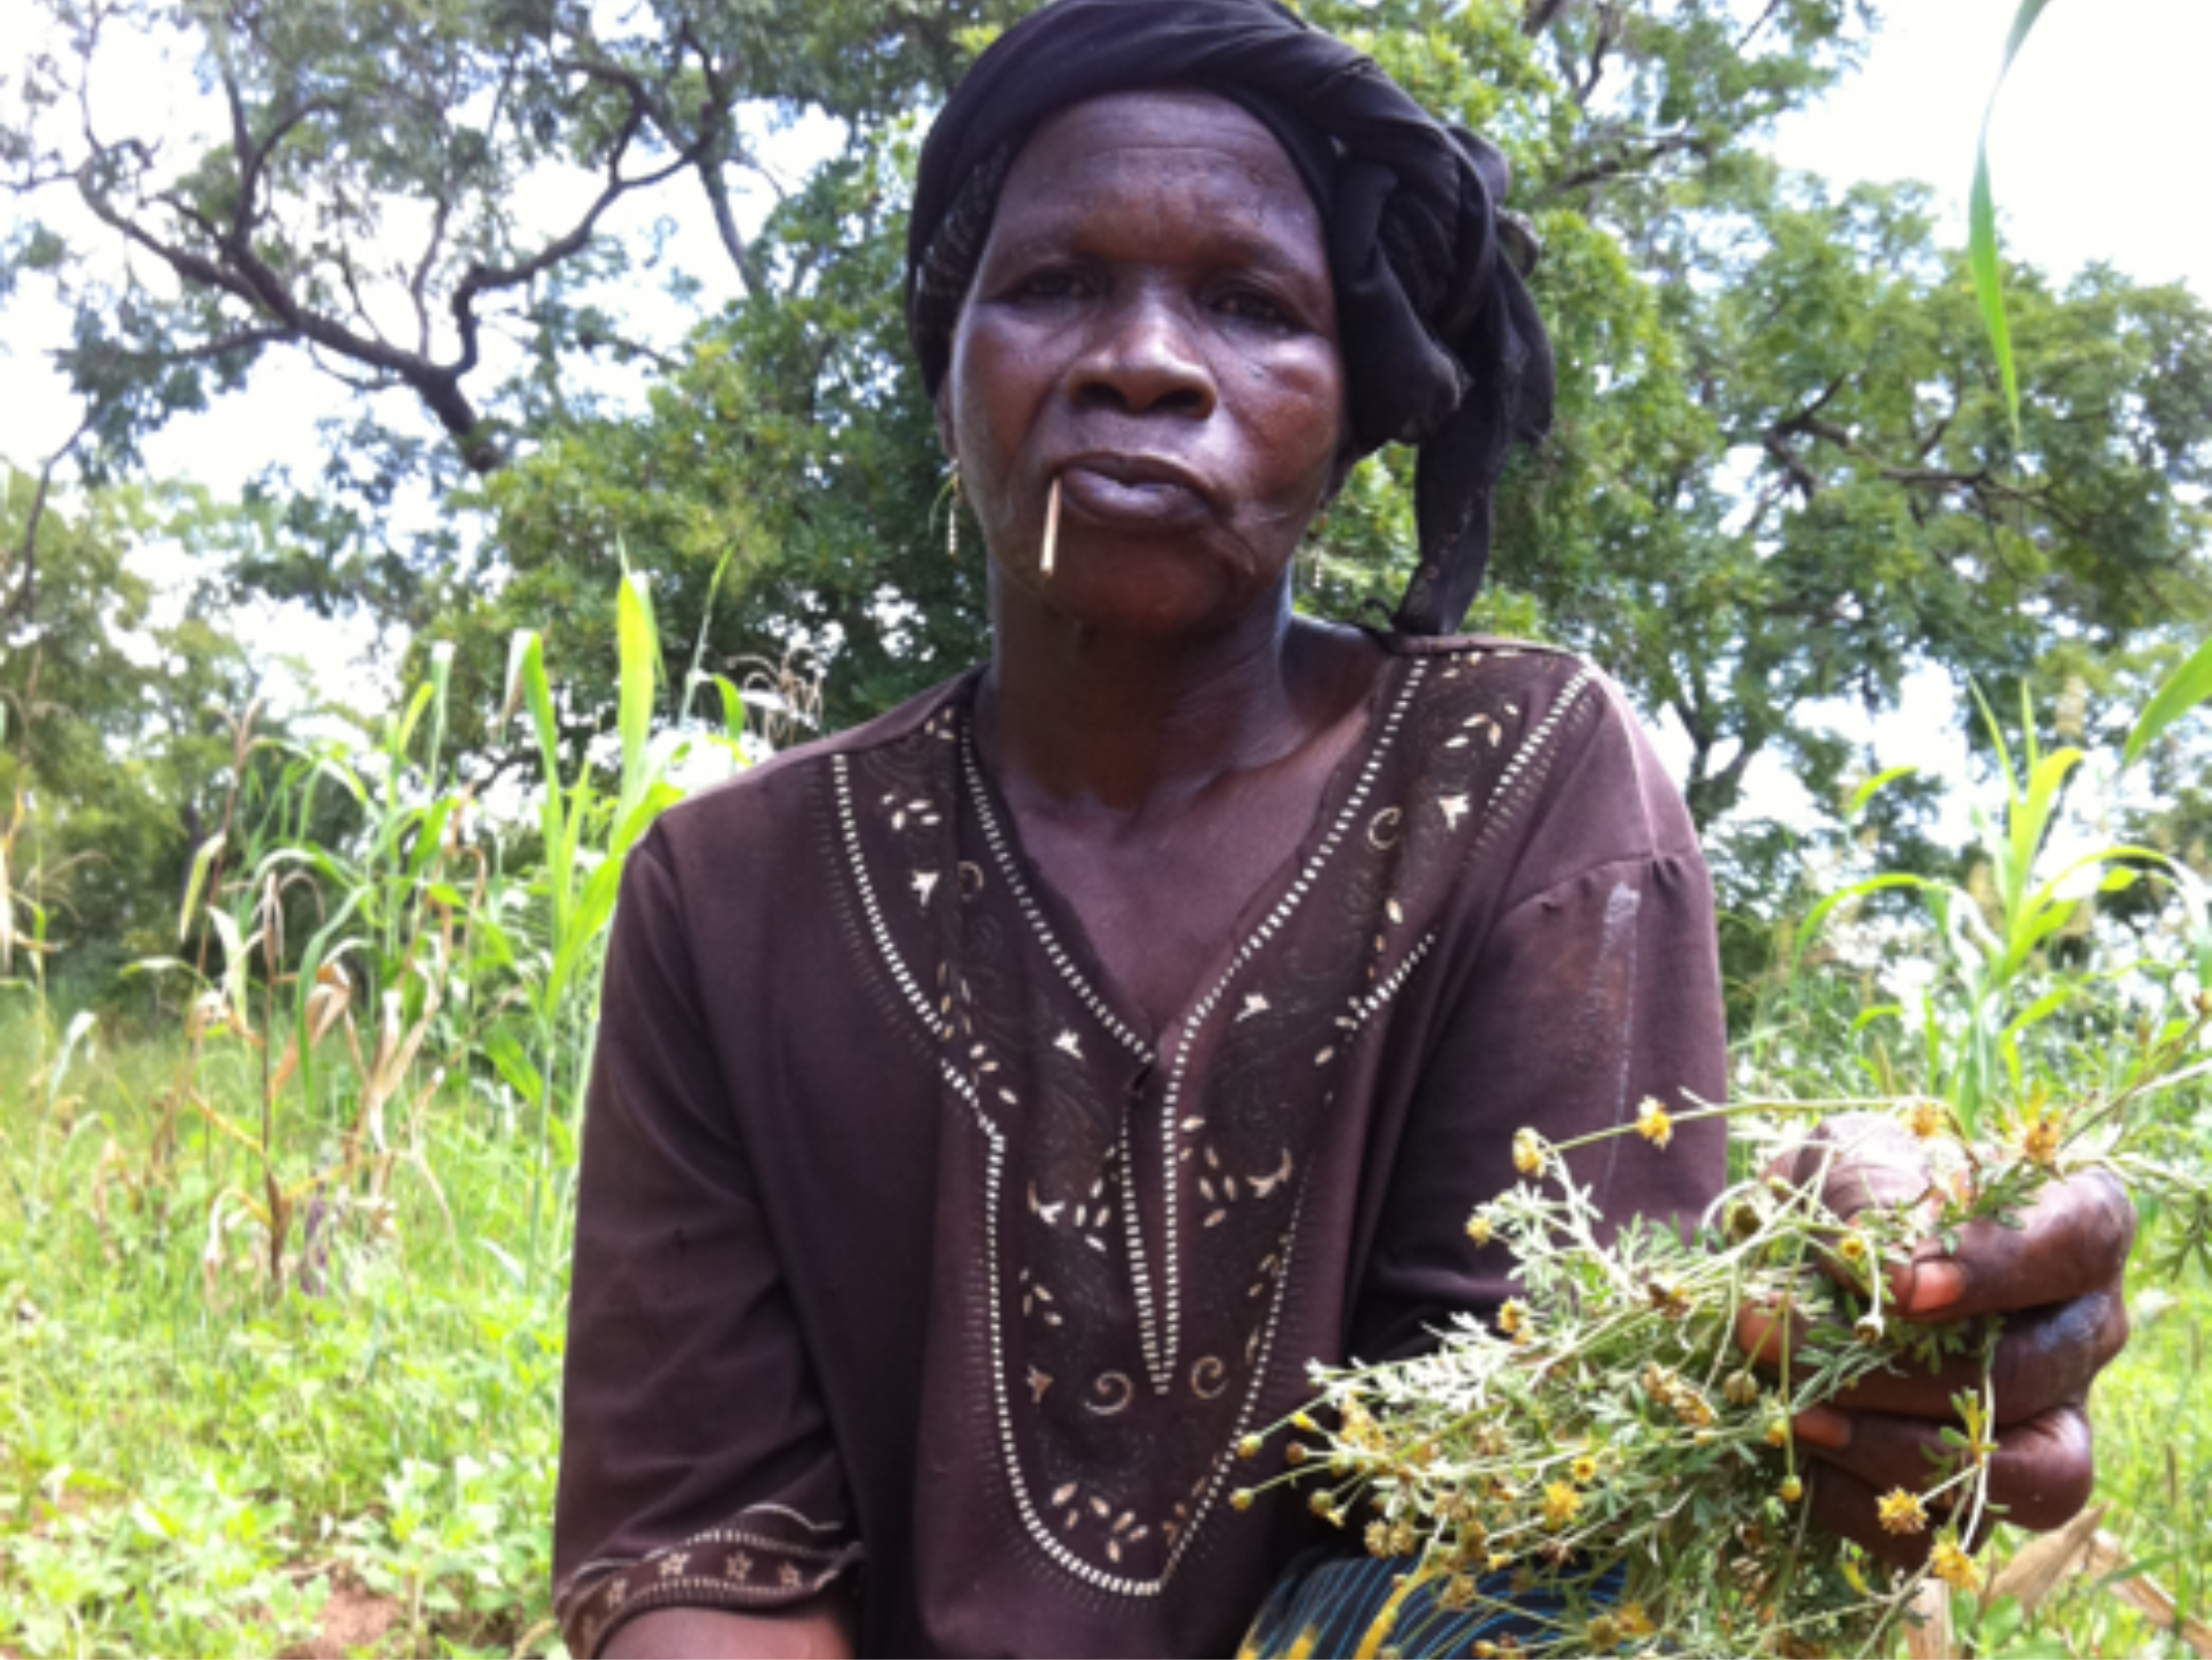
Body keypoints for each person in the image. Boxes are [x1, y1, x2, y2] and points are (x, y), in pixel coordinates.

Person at [552, 3, 2133, 1655]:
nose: (1143, 359)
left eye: (1248, 305)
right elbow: (697, 1539)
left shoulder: (1521, 783)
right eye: (1050, 286)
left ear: (1350, 408)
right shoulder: (731, 893)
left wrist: (1832, 1337)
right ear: (951, 364)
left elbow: (1527, 1512)